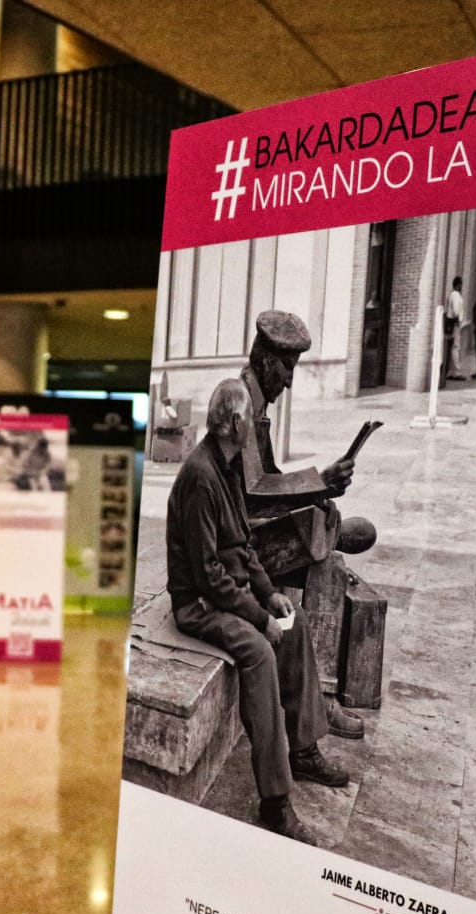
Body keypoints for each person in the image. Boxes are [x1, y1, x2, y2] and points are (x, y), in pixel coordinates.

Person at [168, 379, 348, 844]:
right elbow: (207, 576)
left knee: (296, 621)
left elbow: (242, 544)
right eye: (249, 417)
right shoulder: (200, 477)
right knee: (260, 652)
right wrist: (259, 618)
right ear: (233, 423)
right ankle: (274, 800)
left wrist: (269, 594)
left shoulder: (226, 466)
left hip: (224, 593)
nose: (254, 424)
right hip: (199, 604)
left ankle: (302, 750)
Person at [236, 311, 371, 742]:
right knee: (329, 566)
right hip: (238, 545)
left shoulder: (256, 400)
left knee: (328, 538)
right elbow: (254, 489)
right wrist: (317, 483)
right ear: (266, 359)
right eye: (287, 368)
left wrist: (318, 492)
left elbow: (267, 475)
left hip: (249, 530)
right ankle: (323, 698)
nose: (290, 382)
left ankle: (331, 532)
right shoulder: (240, 403)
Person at [441, 276, 465, 384]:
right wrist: (458, 320)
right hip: (455, 324)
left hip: (452, 324)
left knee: (452, 348)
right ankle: (457, 372)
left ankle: (450, 371)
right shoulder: (455, 295)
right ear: (458, 285)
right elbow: (456, 310)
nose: (462, 287)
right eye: (461, 284)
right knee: (456, 347)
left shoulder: (452, 294)